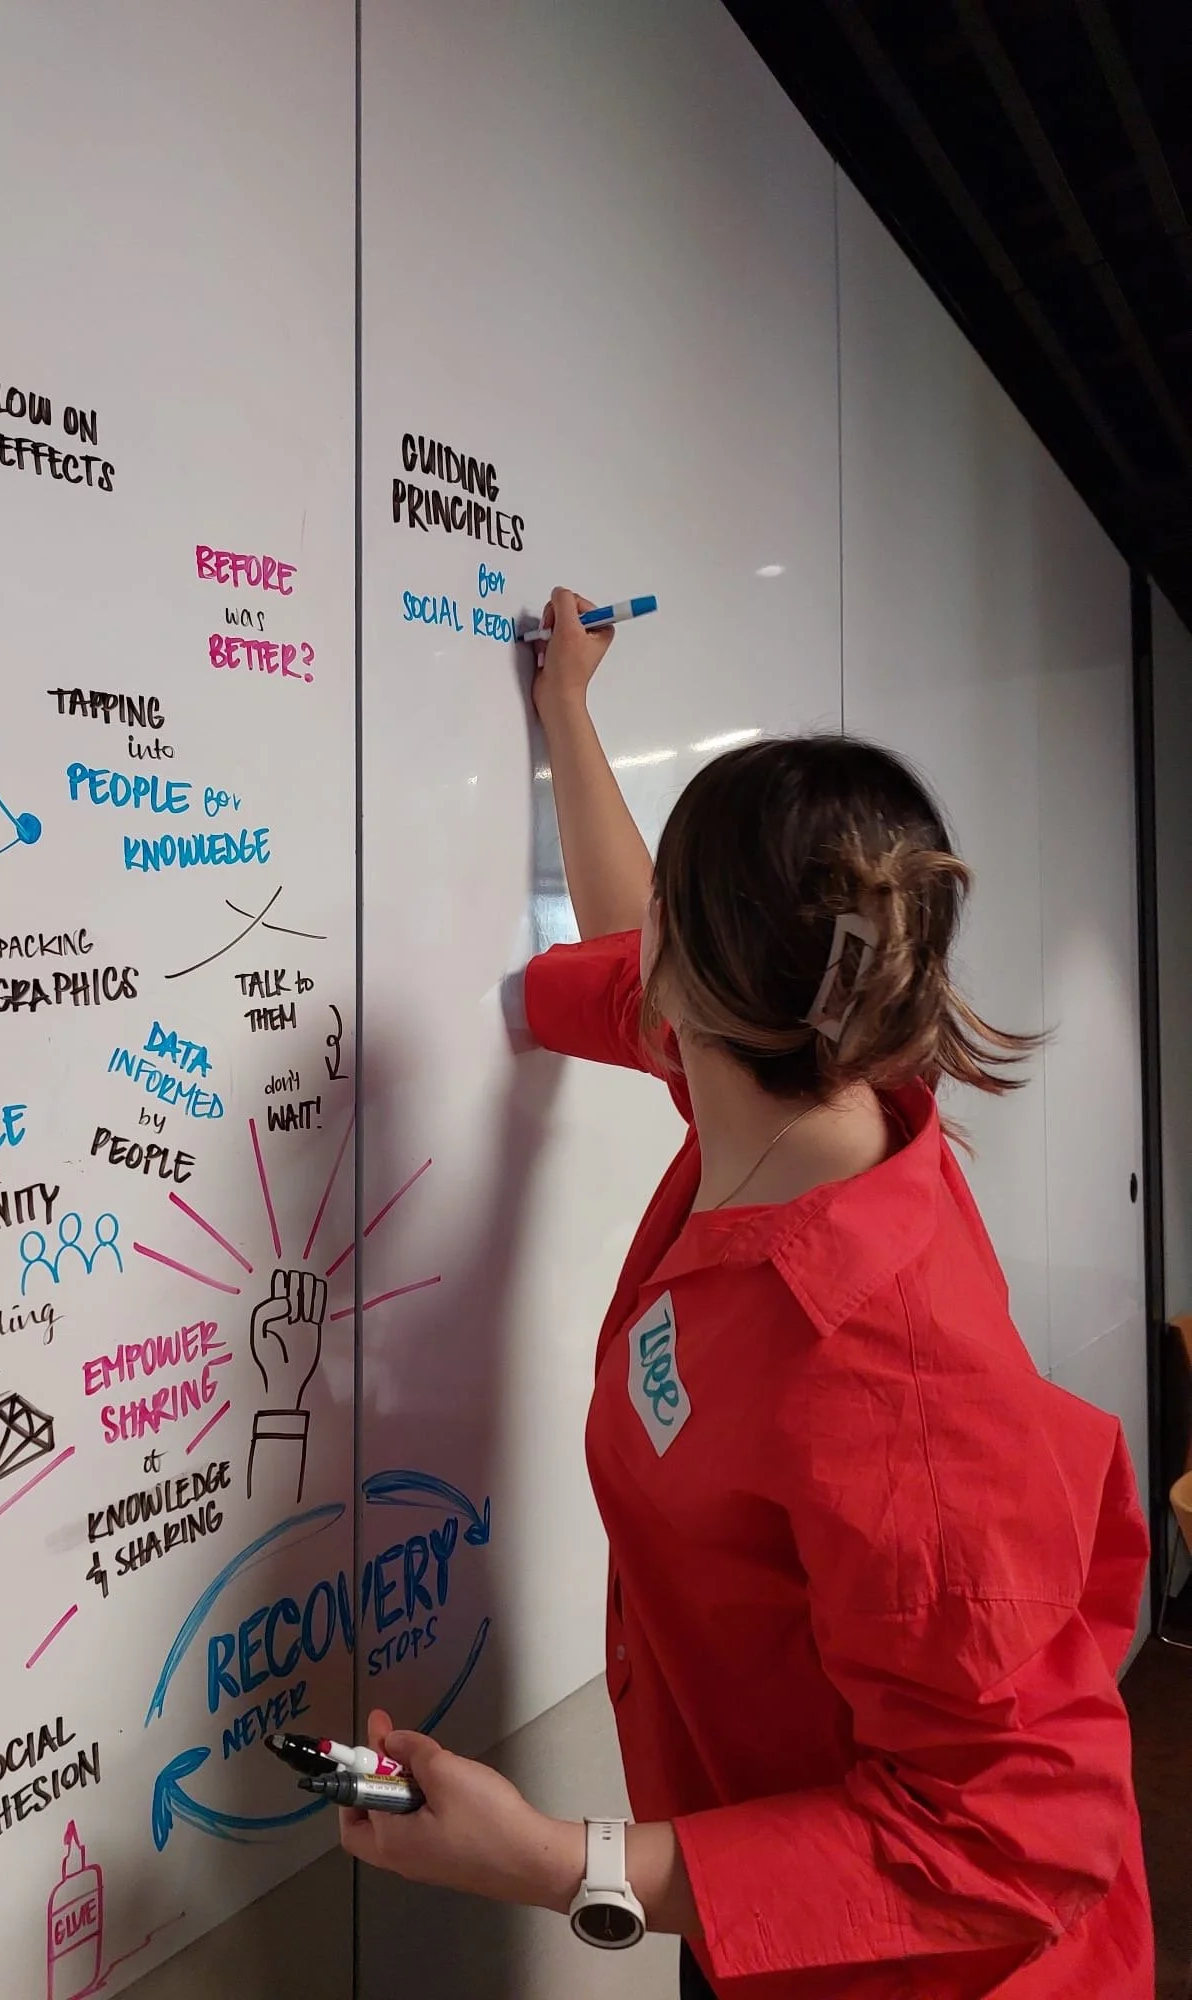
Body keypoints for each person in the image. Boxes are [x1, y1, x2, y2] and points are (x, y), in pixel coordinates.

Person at [339, 590, 1154, 1997]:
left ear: (693, 966)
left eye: (662, 913)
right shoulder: (810, 1081)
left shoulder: (893, 1380)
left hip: (918, 1967)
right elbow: (606, 943)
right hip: (759, 1903)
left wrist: (555, 1861)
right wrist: (567, 708)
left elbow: (1021, 1841)